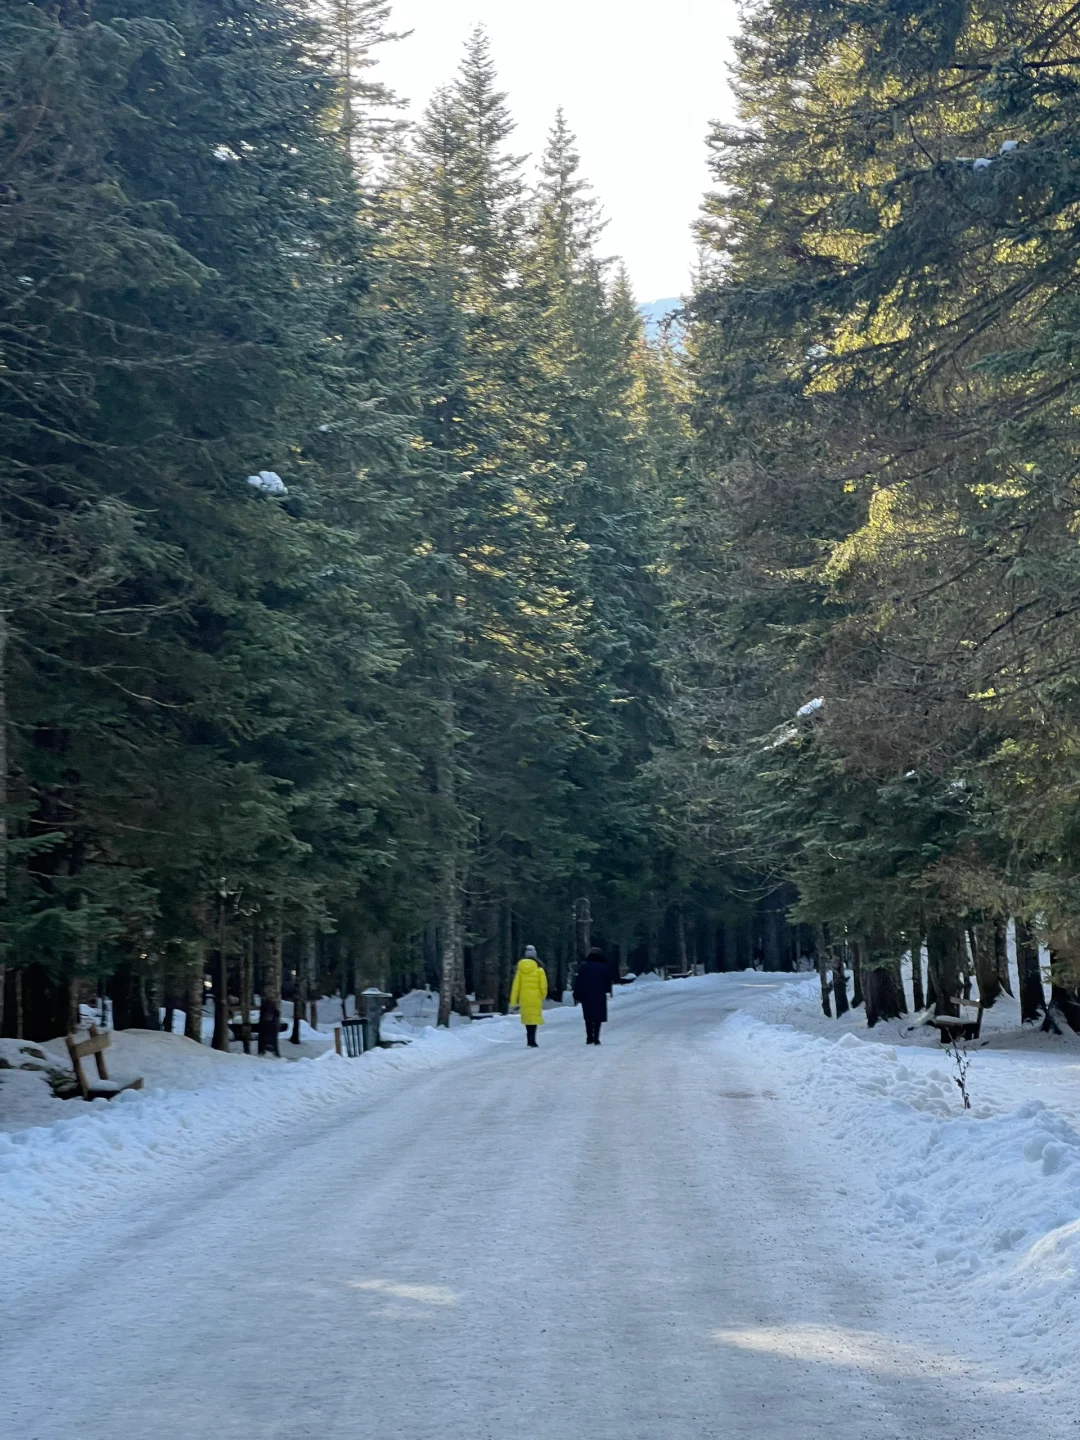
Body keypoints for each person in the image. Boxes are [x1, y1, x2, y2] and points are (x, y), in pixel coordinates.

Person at [573, 946, 613, 1045]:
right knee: (598, 1016)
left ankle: (589, 1037)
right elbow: (608, 980)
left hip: (586, 993)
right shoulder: (604, 966)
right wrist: (608, 991)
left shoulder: (584, 966)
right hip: (599, 993)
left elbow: (579, 981)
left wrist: (577, 992)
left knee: (588, 1016)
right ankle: (596, 1037)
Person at [509, 944, 548, 1048]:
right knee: (533, 1019)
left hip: (524, 997)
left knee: (527, 1019)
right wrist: (543, 995)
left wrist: (513, 1001)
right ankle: (533, 1040)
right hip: (535, 998)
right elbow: (543, 986)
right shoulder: (539, 970)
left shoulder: (520, 970)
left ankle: (529, 1039)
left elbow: (515, 987)